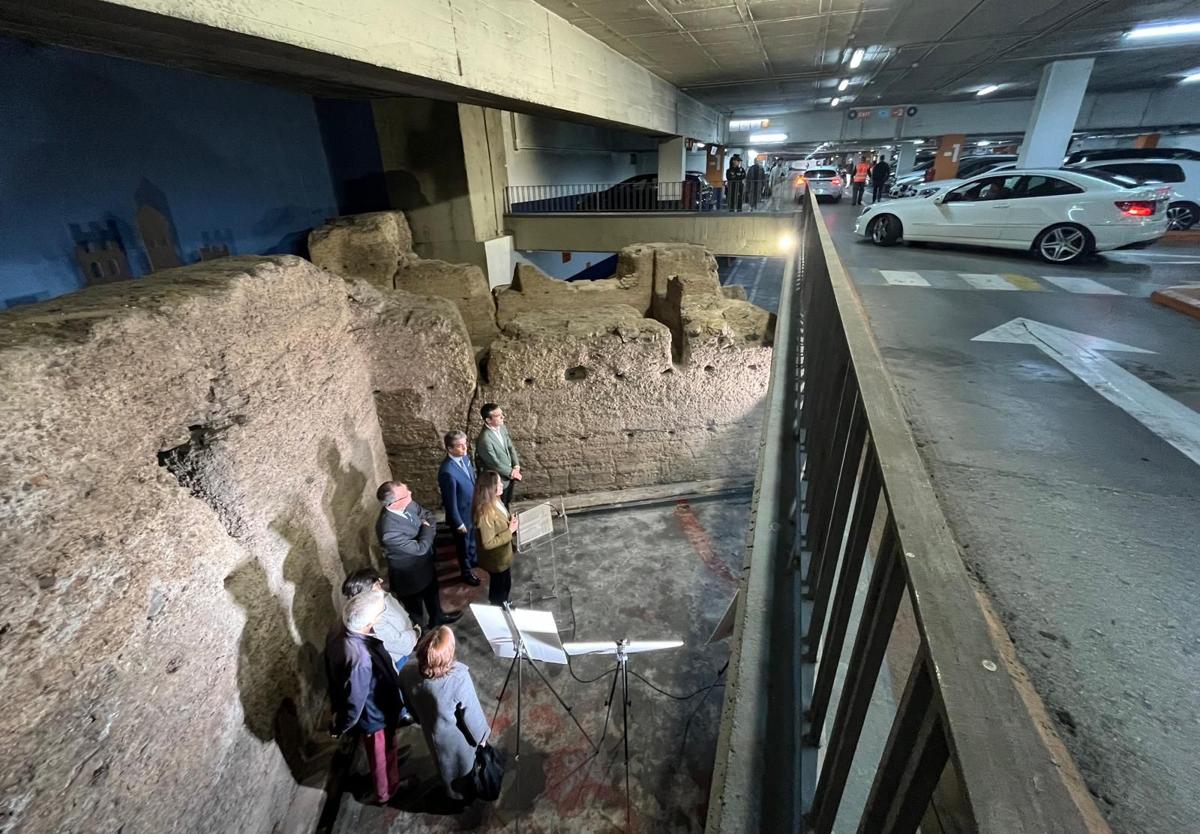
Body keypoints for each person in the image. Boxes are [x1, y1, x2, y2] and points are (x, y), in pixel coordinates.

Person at [326, 590, 418, 804]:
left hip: (378, 707)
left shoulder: (340, 629)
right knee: (380, 755)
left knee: (386, 749)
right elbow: (355, 701)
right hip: (375, 715)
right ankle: (386, 791)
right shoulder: (361, 658)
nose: (380, 616)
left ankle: (390, 766)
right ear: (367, 622)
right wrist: (341, 725)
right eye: (379, 613)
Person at [399, 626, 491, 801]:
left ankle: (449, 791)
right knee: (462, 766)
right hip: (456, 737)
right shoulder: (458, 679)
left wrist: (419, 718)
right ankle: (463, 794)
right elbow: (471, 714)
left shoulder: (407, 671)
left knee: (442, 763)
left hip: (430, 728)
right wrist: (482, 738)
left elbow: (408, 701)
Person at [376, 480, 462, 629]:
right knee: (415, 611)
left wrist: (426, 530)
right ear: (393, 503)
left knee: (432, 594)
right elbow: (420, 548)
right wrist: (427, 529)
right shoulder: (389, 531)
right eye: (405, 493)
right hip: (410, 576)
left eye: (407, 490)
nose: (410, 493)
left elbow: (428, 515)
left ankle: (438, 618)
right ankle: (420, 635)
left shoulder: (407, 503)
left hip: (425, 564)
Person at [342, 568, 421, 671]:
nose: (381, 581)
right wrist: (416, 632)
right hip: (400, 658)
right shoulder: (375, 619)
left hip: (409, 639)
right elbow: (401, 645)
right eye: (376, 584)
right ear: (366, 593)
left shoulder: (378, 596)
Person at [437, 430, 480, 587]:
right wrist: (458, 523)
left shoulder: (465, 458)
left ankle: (474, 560)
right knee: (463, 546)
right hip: (461, 516)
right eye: (460, 446)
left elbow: (471, 480)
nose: (465, 448)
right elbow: (450, 501)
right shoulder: (447, 472)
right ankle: (467, 572)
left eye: (465, 444)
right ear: (450, 449)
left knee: (472, 540)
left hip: (472, 510)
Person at [473, 470, 518, 606]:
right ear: (490, 488)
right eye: (498, 483)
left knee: (505, 583)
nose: (502, 485)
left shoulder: (496, 500)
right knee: (499, 587)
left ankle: (505, 603)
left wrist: (510, 521)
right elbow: (487, 543)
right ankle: (499, 607)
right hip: (496, 560)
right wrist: (510, 530)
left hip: (504, 555)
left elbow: (502, 518)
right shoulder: (484, 514)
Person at [475, 403, 522, 508]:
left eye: (502, 414)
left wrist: (516, 465)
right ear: (488, 420)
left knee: (508, 501)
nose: (503, 417)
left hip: (510, 474)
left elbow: (510, 446)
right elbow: (494, 463)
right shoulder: (484, 439)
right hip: (499, 480)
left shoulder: (502, 428)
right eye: (498, 416)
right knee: (500, 505)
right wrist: (512, 473)